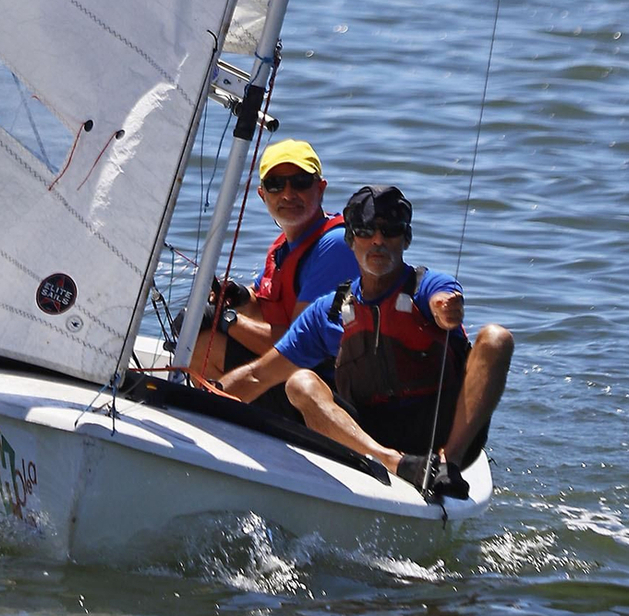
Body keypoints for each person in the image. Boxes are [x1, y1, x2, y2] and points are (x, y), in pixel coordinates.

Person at [217, 181, 513, 496]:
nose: (378, 241)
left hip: (436, 432)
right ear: (350, 239)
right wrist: (194, 403)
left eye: (390, 231)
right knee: (299, 383)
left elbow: (444, 301)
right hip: (369, 441)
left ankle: (446, 466)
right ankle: (395, 463)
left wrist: (447, 311)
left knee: (497, 337)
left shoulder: (426, 287)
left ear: (407, 238)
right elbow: (257, 375)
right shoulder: (328, 311)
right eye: (365, 231)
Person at [186, 138, 357, 390]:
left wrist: (225, 319)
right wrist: (240, 297)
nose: (288, 194)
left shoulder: (335, 245)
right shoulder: (282, 248)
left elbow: (300, 348)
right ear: (262, 194)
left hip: (322, 387)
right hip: (292, 372)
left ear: (320, 188)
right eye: (275, 185)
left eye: (300, 182)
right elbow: (267, 307)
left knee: (203, 345)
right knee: (199, 328)